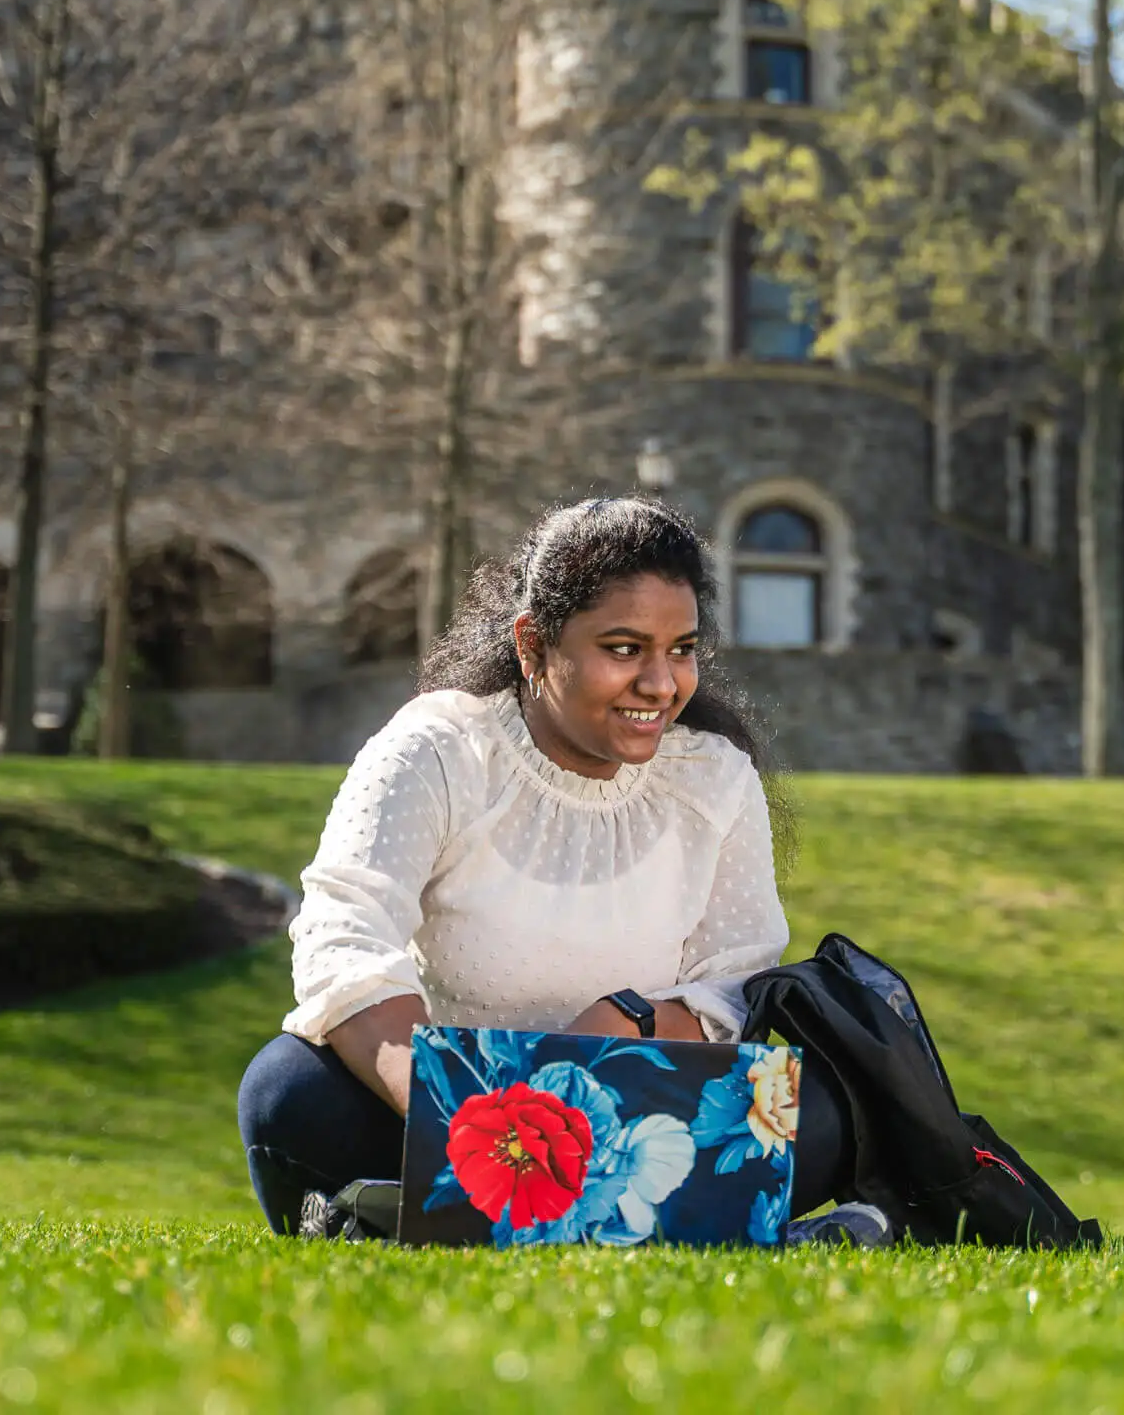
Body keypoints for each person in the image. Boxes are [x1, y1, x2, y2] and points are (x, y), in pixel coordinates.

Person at [235, 498, 881, 1245]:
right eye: (623, 648)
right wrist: (466, 1114)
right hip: (440, 1117)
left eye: (681, 649)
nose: (661, 684)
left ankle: (420, 1220)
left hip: (638, 1117)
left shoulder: (714, 778)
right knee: (288, 1091)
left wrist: (629, 1022)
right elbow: (345, 940)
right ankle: (655, 1226)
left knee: (825, 1108)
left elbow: (737, 981)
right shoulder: (439, 750)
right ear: (533, 644)